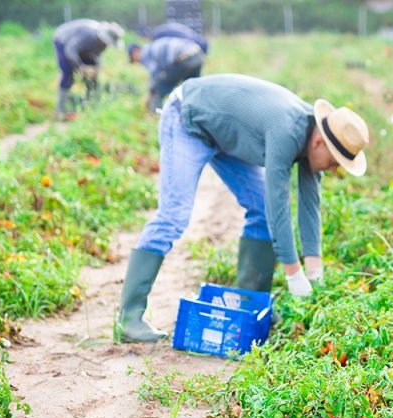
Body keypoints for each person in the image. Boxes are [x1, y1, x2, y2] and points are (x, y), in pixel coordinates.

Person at [117, 74, 370, 343]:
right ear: (320, 143)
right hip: (188, 119)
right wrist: (294, 274)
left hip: (222, 135)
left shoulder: (314, 140)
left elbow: (310, 206)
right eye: (333, 162)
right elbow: (279, 206)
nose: (333, 169)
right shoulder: (287, 131)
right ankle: (130, 318)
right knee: (174, 215)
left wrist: (315, 273)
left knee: (259, 208)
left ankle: (251, 306)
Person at [52, 19, 124, 119]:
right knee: (68, 73)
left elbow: (96, 58)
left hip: (80, 48)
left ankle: (87, 106)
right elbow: (70, 50)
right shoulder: (89, 36)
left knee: (92, 77)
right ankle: (60, 110)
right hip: (63, 41)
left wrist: (95, 69)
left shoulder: (102, 44)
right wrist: (81, 67)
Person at [128, 36, 205, 112]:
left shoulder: (145, 54)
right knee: (192, 88)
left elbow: (155, 75)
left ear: (135, 52)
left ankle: (156, 114)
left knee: (158, 89)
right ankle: (197, 112)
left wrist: (151, 94)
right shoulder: (153, 46)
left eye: (133, 59)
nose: (137, 61)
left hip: (185, 57)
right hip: (197, 54)